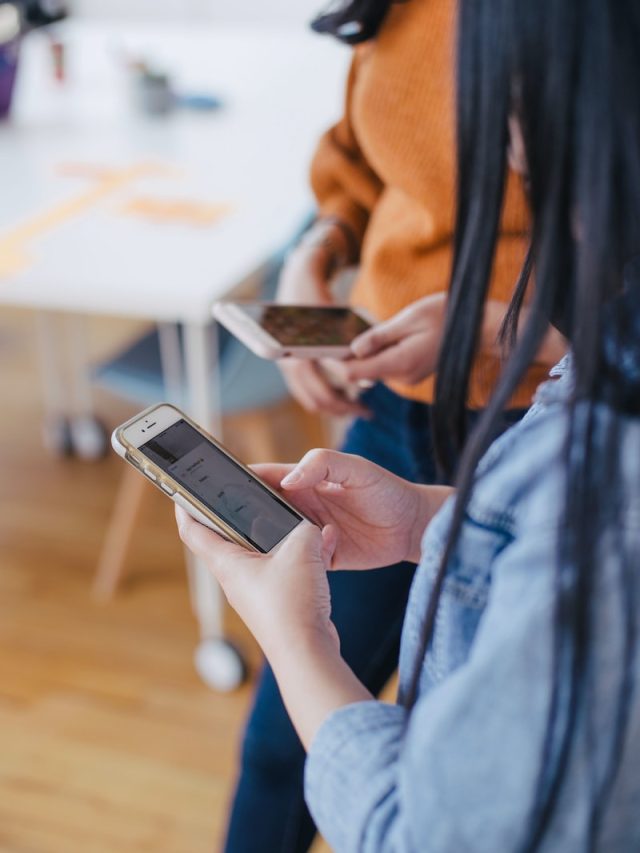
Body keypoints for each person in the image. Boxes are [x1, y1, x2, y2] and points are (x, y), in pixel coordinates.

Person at [178, 0, 640, 849]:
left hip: (528, 413)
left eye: (516, 122)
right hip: (405, 406)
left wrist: (295, 636)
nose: (503, 142)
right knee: (279, 743)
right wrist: (317, 249)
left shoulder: (597, 471)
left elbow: (425, 826)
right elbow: (354, 153)